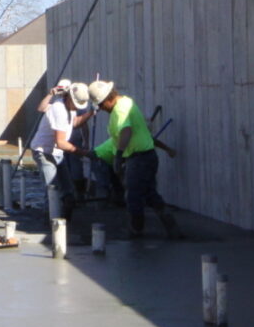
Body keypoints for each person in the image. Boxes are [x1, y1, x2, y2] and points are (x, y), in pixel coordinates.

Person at [88, 79, 178, 237]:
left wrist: (119, 156)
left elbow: (126, 131)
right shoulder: (126, 102)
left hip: (139, 159)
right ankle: (171, 227)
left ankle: (136, 230)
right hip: (146, 157)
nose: (101, 109)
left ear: (107, 100)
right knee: (149, 193)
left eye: (101, 105)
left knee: (133, 196)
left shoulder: (120, 110)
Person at [29, 80, 82, 221]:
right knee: (52, 187)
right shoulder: (57, 107)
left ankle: (63, 216)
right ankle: (51, 219)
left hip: (57, 153)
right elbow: (41, 108)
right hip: (44, 150)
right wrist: (50, 94)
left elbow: (75, 122)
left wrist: (91, 113)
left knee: (67, 187)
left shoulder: (70, 107)